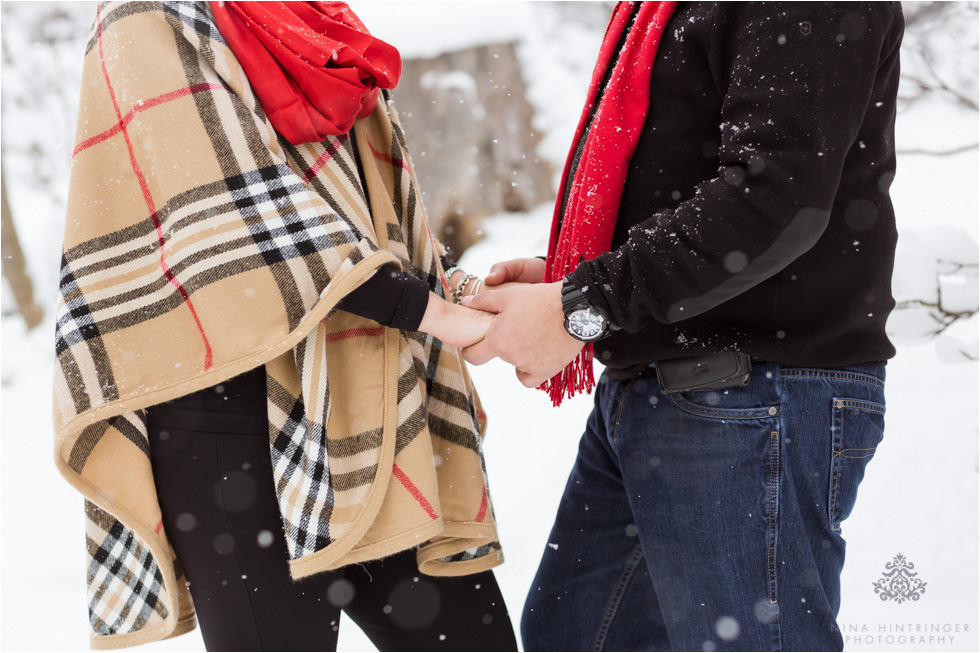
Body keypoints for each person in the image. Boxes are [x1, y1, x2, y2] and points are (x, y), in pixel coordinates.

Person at [52, 2, 516, 650]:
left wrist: (454, 287)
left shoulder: (305, 16)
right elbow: (237, 212)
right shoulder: (146, 15)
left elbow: (362, 204)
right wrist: (439, 316)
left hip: (367, 399)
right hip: (231, 424)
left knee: (473, 641)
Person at [463, 2, 903, 651]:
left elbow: (772, 199)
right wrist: (572, 276)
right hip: (667, 387)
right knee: (576, 636)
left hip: (750, 395)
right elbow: (676, 169)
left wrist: (584, 302)